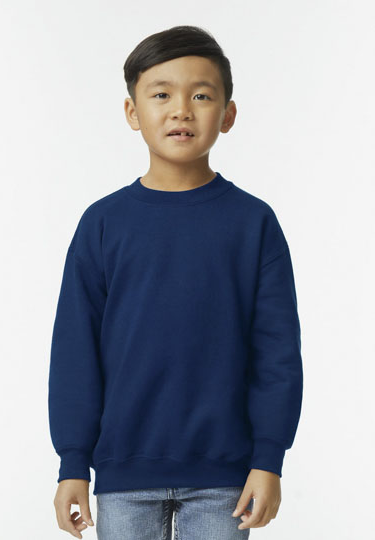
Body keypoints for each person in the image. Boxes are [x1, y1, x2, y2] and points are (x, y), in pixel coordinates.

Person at [48, 25, 303, 540]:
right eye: (161, 94)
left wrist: (268, 459)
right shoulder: (102, 224)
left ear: (228, 115)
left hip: (226, 478)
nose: (181, 110)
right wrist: (73, 462)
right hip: (122, 474)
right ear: (132, 112)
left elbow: (277, 352)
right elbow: (75, 351)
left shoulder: (253, 223)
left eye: (201, 96)